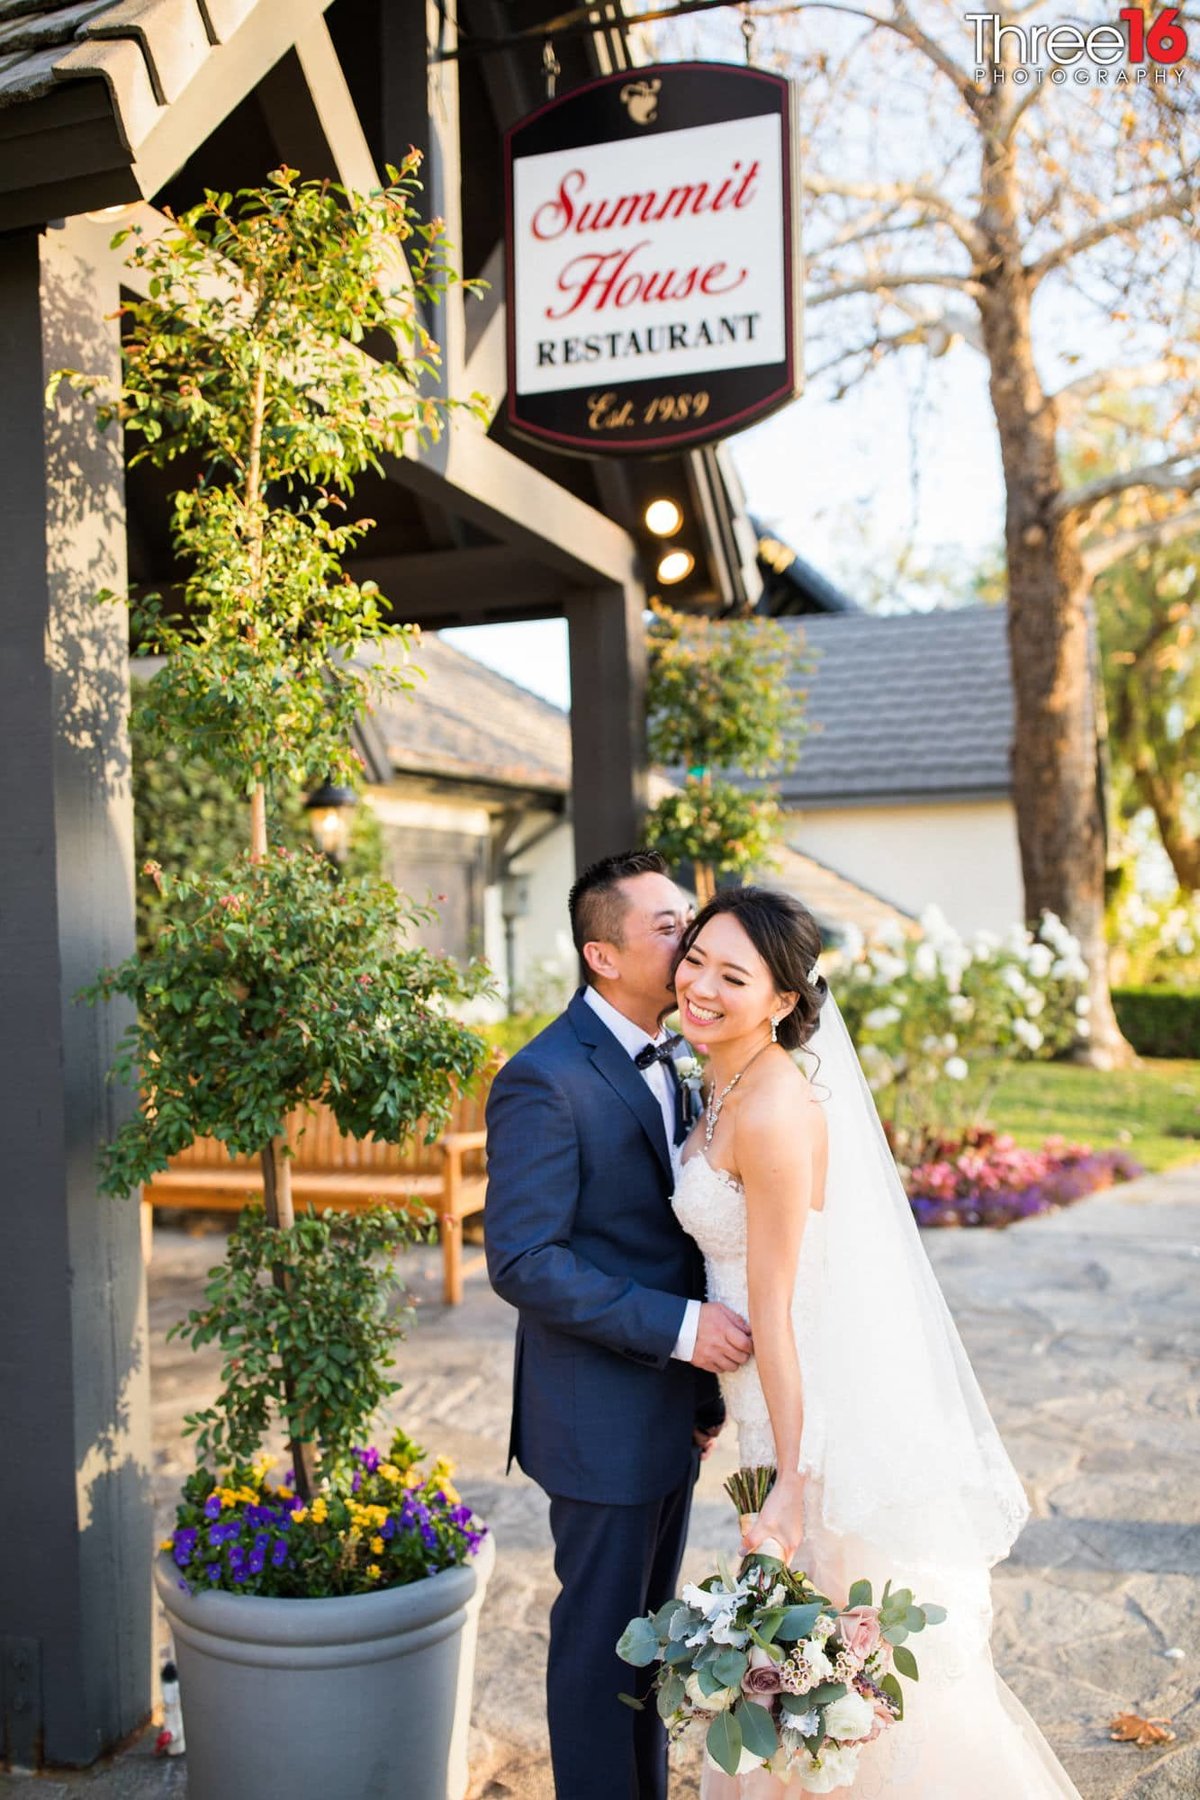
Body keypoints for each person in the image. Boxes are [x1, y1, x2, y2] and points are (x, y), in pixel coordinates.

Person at [670, 885, 1081, 1799]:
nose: (698, 983)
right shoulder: (729, 1078)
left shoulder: (774, 1111)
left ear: (782, 1001)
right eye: (694, 957)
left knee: (833, 1671)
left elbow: (777, 1311)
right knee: (802, 1673)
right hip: (760, 1401)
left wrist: (788, 1483)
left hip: (808, 1412)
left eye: (731, 975)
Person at [484, 850, 755, 1800]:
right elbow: (523, 1260)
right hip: (596, 1415)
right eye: (668, 927)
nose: (690, 941)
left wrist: (698, 1389)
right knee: (602, 1655)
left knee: (648, 1644)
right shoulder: (544, 1078)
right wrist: (684, 1331)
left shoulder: (676, 1056)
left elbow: (665, 1232)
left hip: (664, 1407)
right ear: (603, 955)